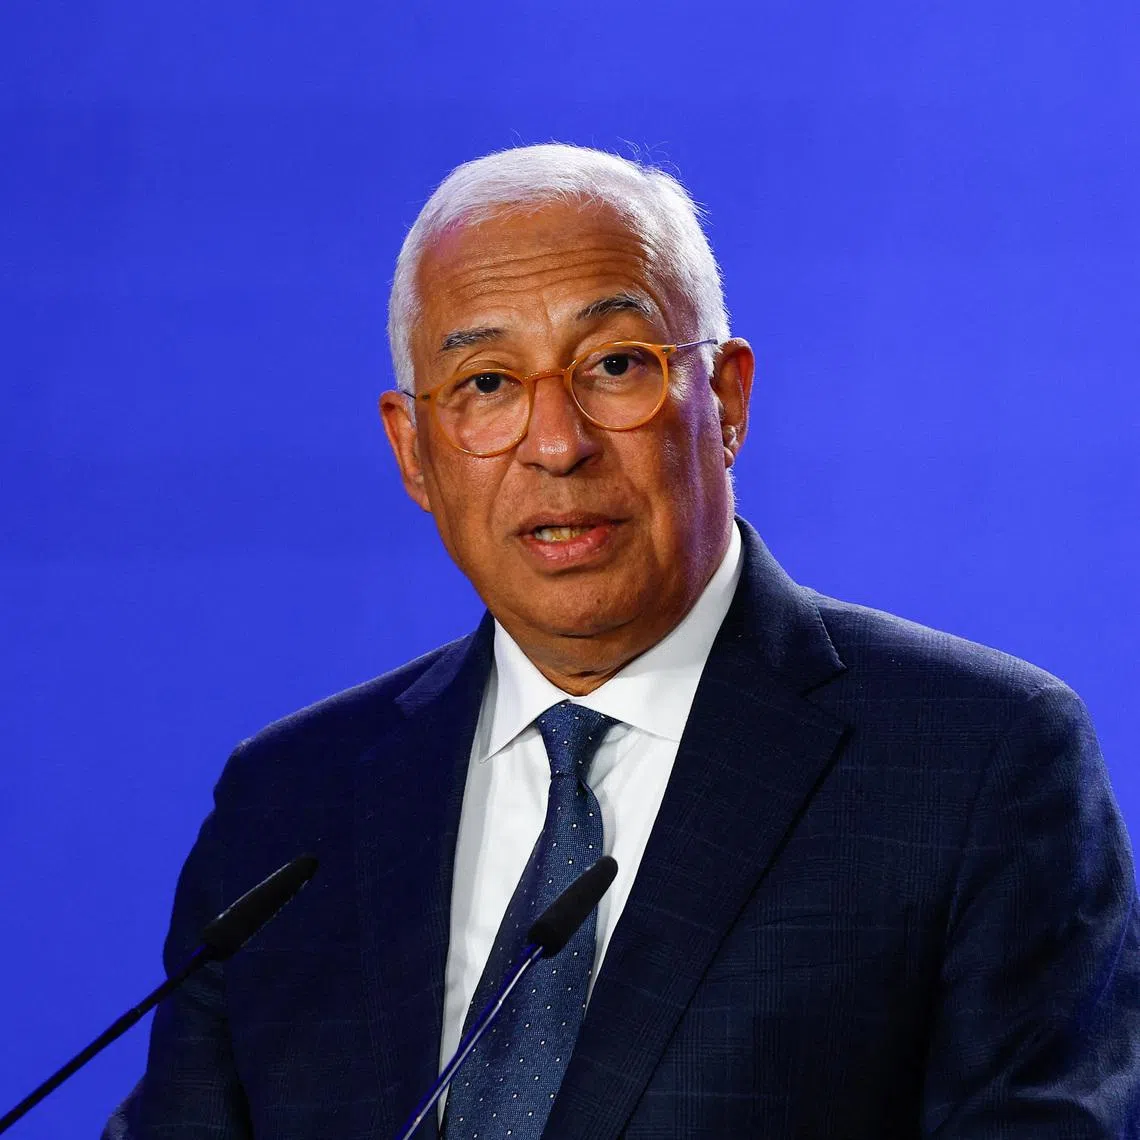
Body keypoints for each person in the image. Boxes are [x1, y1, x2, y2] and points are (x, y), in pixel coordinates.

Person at [104, 144, 1140, 1139]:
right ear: (413, 452)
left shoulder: (974, 764)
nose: (556, 444)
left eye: (614, 365)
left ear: (725, 402)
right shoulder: (290, 806)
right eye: (487, 386)